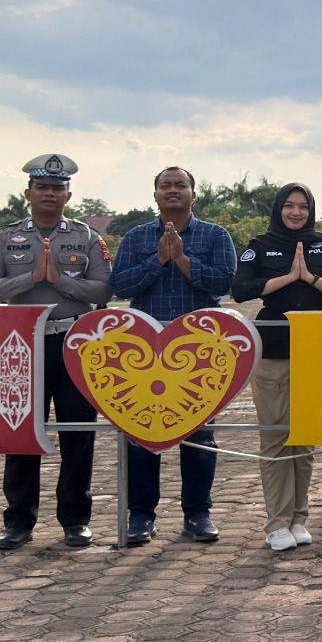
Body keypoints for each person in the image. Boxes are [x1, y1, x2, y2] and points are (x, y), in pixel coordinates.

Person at [0, 154, 111, 550]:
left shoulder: (85, 237)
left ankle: (75, 519)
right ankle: (18, 521)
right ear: (28, 193)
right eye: (42, 187)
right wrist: (30, 279)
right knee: (20, 431)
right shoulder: (6, 237)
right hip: (21, 343)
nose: (50, 194)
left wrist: (61, 282)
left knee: (77, 432)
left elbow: (103, 291)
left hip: (73, 342)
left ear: (68, 194)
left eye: (57, 188)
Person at [110, 167, 238, 545]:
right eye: (165, 185)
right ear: (155, 195)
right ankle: (141, 517)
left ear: (193, 194)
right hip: (144, 352)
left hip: (200, 350)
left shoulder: (215, 235)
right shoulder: (136, 237)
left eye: (180, 185)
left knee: (199, 434)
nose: (173, 191)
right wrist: (159, 261)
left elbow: (224, 283)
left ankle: (197, 514)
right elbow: (119, 286)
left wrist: (183, 260)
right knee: (141, 432)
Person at [231, 183, 322, 552]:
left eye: (302, 207)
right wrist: (288, 278)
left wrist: (311, 278)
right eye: (289, 206)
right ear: (279, 209)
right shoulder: (261, 243)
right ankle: (277, 523)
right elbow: (240, 288)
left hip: (313, 348)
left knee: (305, 435)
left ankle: (299, 518)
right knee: (276, 436)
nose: (296, 213)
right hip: (273, 351)